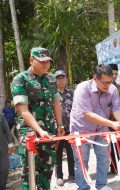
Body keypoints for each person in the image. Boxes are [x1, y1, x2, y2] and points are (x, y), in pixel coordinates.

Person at [70, 64, 120, 190]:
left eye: (110, 82)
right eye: (105, 82)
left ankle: (102, 185)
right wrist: (112, 124)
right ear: (95, 78)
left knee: (104, 157)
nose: (107, 86)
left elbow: (117, 111)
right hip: (81, 129)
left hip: (102, 129)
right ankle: (83, 187)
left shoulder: (113, 89)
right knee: (82, 160)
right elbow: (87, 114)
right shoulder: (83, 88)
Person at [11, 47, 64, 190]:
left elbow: (56, 103)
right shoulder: (20, 79)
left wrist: (60, 125)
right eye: (41, 62)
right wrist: (40, 130)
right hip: (29, 134)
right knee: (30, 174)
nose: (45, 65)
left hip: (49, 132)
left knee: (47, 172)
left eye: (48, 62)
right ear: (31, 60)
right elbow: (23, 110)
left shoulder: (51, 79)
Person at [54, 70, 75, 186]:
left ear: (66, 79)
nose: (61, 79)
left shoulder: (72, 93)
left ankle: (72, 174)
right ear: (55, 80)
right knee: (58, 154)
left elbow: (76, 109)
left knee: (71, 153)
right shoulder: (52, 94)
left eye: (63, 77)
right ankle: (59, 177)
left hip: (70, 128)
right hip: (57, 129)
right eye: (58, 78)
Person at [108, 64, 120, 174]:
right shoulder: (102, 86)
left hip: (116, 121)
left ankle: (115, 166)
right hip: (103, 121)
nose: (114, 76)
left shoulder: (119, 88)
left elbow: (119, 106)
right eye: (112, 74)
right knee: (103, 146)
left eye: (116, 74)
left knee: (116, 144)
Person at [0, 114, 14, 189]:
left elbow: (7, 130)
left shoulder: (1, 117)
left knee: (4, 168)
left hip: (2, 147)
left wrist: (10, 144)